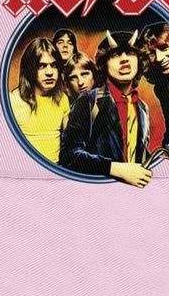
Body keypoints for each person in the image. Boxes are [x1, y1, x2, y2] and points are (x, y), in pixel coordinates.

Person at [60, 30, 152, 188]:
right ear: (104, 64)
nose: (124, 59)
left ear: (139, 60)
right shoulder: (89, 101)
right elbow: (69, 156)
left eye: (130, 53)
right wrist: (114, 169)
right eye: (115, 55)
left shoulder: (143, 108)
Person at [9, 37, 70, 163]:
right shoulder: (12, 101)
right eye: (42, 66)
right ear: (30, 69)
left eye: (54, 65)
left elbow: (71, 142)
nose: (49, 72)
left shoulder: (62, 99)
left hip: (56, 169)